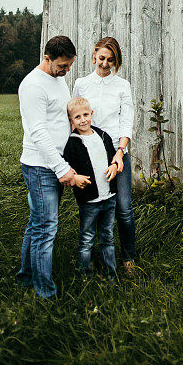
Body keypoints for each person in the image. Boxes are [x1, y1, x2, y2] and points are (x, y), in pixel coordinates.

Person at [16, 35, 87, 300]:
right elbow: (38, 133)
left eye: (69, 65)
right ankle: (45, 293)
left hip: (56, 162)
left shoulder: (58, 80)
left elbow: (60, 118)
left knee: (38, 223)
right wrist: (62, 169)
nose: (67, 70)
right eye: (63, 66)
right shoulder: (33, 86)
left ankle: (25, 277)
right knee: (46, 228)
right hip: (40, 166)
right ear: (47, 58)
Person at [72, 37, 136, 273]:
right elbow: (75, 116)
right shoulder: (82, 83)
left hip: (116, 152)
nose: (105, 64)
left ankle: (129, 258)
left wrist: (120, 153)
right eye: (102, 59)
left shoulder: (122, 86)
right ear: (94, 55)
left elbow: (126, 120)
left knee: (123, 207)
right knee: (92, 207)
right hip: (89, 153)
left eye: (111, 60)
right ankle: (89, 257)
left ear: (116, 61)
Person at [64, 97, 119, 279]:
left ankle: (111, 274)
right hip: (89, 201)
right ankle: (85, 275)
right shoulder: (72, 143)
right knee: (87, 239)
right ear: (71, 121)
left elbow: (113, 158)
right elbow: (67, 167)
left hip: (109, 197)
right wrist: (74, 176)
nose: (83, 120)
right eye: (77, 117)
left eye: (86, 115)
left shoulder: (102, 135)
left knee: (107, 237)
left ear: (91, 114)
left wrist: (114, 166)